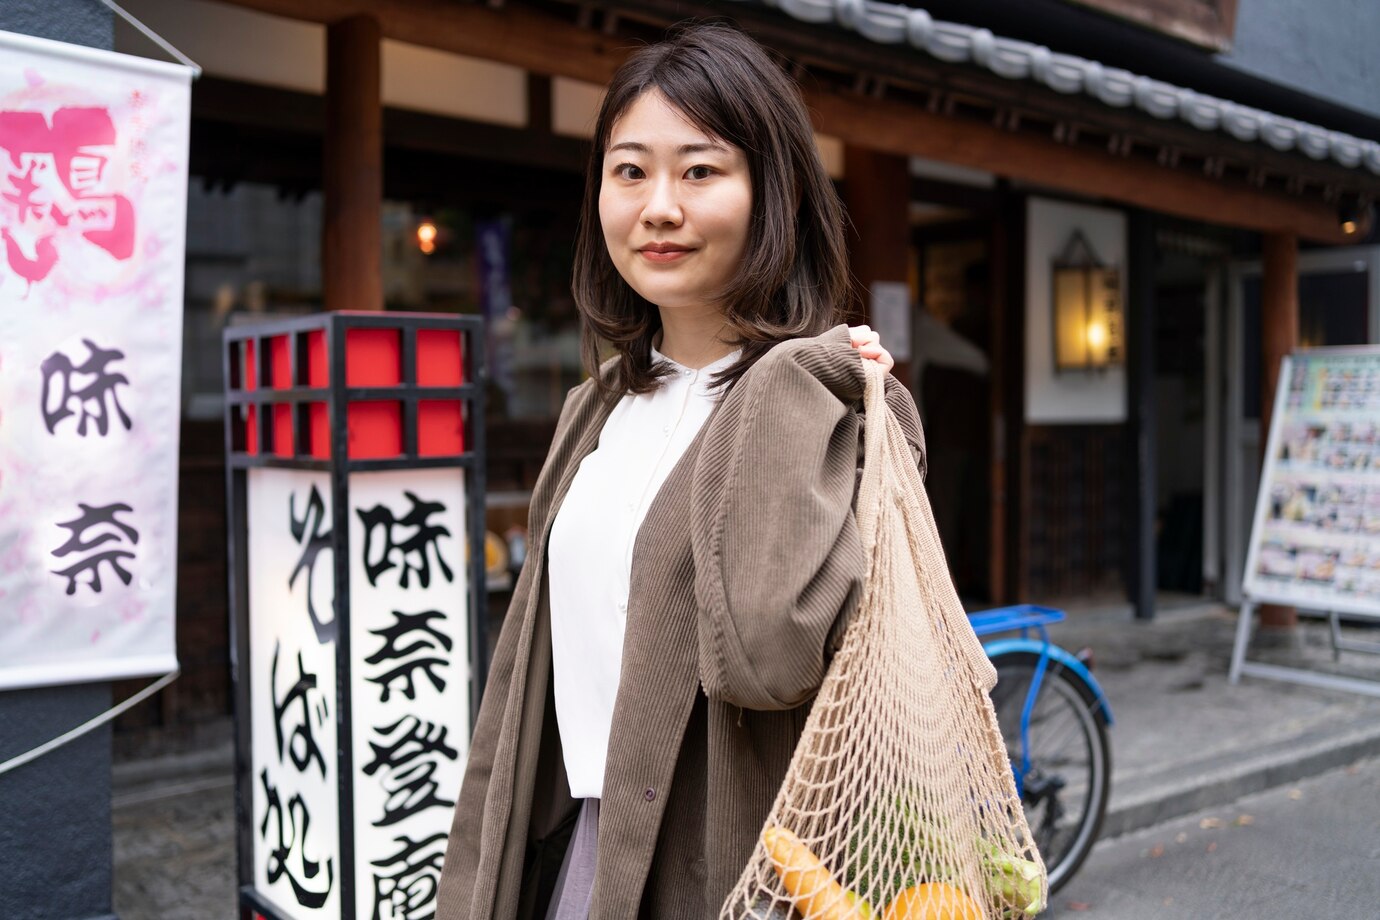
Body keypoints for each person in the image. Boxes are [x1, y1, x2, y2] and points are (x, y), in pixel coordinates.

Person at [436, 22, 926, 920]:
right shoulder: (595, 409)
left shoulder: (833, 405)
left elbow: (768, 654)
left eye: (700, 171)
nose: (658, 207)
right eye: (630, 172)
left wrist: (796, 387)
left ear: (770, 192)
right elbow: (524, 685)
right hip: (585, 857)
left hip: (754, 869)